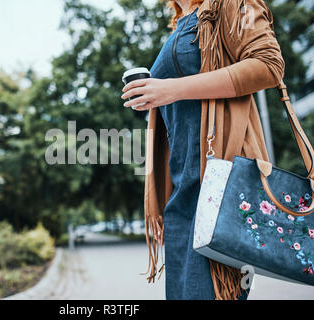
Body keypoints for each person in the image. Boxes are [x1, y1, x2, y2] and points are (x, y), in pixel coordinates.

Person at [121, 0, 284, 300]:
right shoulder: (180, 23)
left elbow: (268, 65)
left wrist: (171, 89)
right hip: (183, 197)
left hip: (220, 187)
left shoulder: (232, 5)